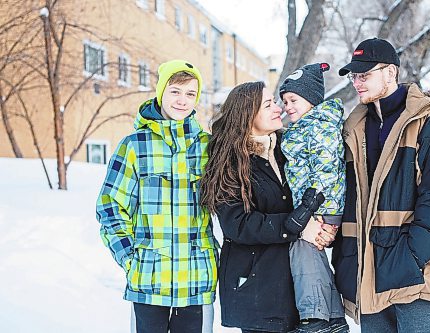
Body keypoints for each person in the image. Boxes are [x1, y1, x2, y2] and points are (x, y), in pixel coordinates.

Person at [332, 38, 430, 333]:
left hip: (416, 273)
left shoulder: (428, 121)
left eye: (365, 75)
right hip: (368, 272)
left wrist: (412, 256)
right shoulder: (353, 128)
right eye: (354, 76)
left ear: (391, 72)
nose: (357, 83)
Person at [200, 81, 336, 333]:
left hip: (296, 285)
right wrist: (296, 228)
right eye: (268, 104)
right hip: (257, 288)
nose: (279, 108)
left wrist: (323, 228)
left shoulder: (289, 149)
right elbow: (238, 225)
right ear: (247, 114)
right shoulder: (229, 161)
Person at [96, 60, 218, 333]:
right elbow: (110, 207)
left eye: (190, 94)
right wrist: (130, 258)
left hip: (197, 278)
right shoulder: (134, 145)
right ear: (161, 92)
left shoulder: (208, 147)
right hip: (149, 278)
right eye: (175, 91)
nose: (182, 101)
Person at [279, 62, 349, 333]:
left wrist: (309, 209)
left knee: (303, 250)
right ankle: (333, 319)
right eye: (284, 101)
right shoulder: (305, 126)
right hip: (314, 205)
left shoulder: (319, 126)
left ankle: (314, 319)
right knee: (314, 255)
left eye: (293, 99)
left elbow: (325, 170)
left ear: (311, 98)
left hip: (321, 204)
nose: (288, 106)